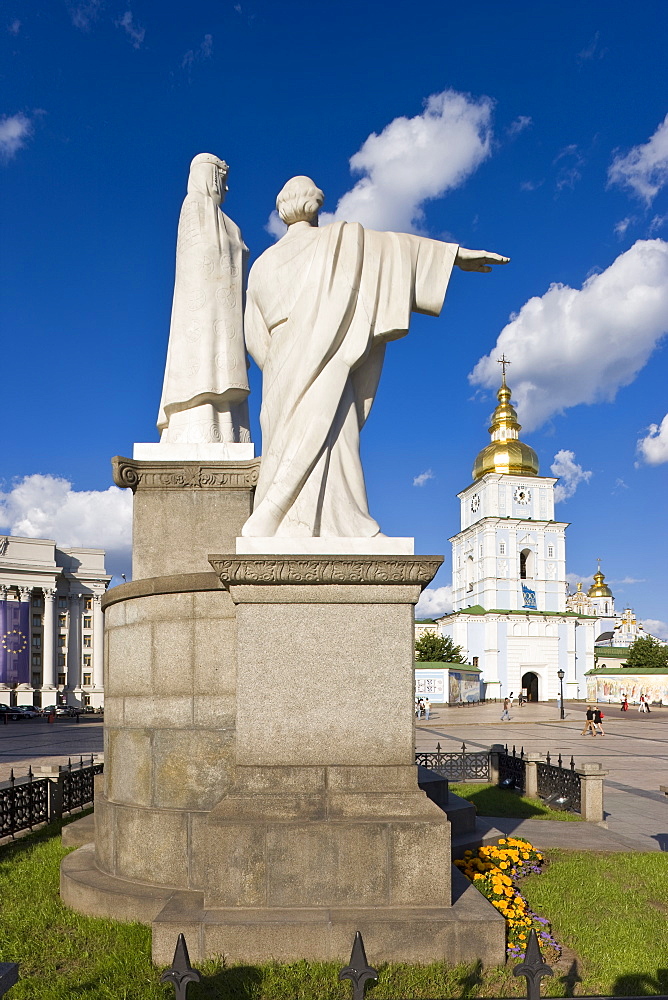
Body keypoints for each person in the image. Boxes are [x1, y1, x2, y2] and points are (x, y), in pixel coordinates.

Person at [242, 175, 508, 538]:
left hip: (279, 369)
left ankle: (301, 522)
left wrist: (282, 367)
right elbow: (397, 250)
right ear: (315, 205)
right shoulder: (341, 242)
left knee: (300, 443)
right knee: (339, 437)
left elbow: (254, 337)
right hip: (328, 351)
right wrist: (456, 256)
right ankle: (334, 523)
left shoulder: (261, 266)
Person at [158, 153, 251, 445]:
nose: (227, 188)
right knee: (200, 368)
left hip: (225, 312)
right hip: (200, 313)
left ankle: (226, 428)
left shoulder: (226, 221)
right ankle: (191, 423)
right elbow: (199, 257)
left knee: (223, 374)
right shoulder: (194, 206)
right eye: (222, 181)